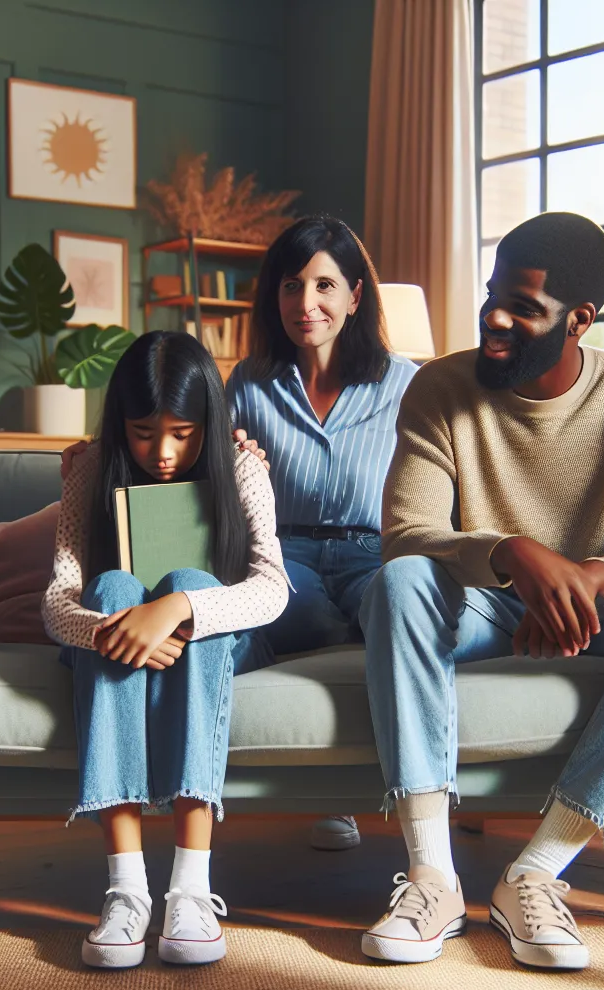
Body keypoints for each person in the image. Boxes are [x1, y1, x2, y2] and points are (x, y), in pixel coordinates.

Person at [357, 212, 604, 970]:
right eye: (494, 294)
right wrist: (513, 553)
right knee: (398, 585)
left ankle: (534, 873)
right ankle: (433, 877)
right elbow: (408, 534)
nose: (496, 317)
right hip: (486, 603)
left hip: (603, 611)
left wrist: (597, 577)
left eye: (523, 307)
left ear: (580, 320)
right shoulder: (439, 388)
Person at [43, 331, 288, 969]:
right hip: (113, 638)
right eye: (144, 433)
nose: (164, 453)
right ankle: (126, 889)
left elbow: (272, 589)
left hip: (200, 637)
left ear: (209, 418)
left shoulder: (241, 467)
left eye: (183, 432)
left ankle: (191, 888)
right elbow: (58, 599)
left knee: (191, 582)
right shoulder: (92, 467)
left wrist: (180, 610)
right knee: (111, 586)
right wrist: (109, 628)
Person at [226, 215, 419, 853]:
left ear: (355, 295)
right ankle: (335, 787)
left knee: (395, 610)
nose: (305, 304)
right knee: (303, 620)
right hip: (285, 551)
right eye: (289, 286)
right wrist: (236, 459)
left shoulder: (407, 384)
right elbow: (212, 479)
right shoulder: (250, 381)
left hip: (375, 549)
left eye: (323, 286)